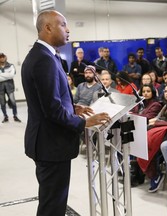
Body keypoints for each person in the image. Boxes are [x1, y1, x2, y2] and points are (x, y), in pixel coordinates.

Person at [21, 10, 111, 216]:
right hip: (51, 144)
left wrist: (73, 108)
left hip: (46, 142)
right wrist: (83, 123)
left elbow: (49, 99)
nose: (68, 30)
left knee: (51, 199)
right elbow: (52, 110)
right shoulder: (44, 59)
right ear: (48, 28)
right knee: (53, 205)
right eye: (63, 25)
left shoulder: (45, 55)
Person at [0, 53, 21, 123]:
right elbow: (9, 75)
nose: (2, 58)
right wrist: (7, 75)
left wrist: (1, 75)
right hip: (0, 89)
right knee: (2, 103)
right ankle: (5, 116)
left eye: (3, 57)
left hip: (10, 87)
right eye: (0, 57)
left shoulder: (10, 65)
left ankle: (15, 116)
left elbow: (11, 75)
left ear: (5, 58)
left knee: (13, 102)